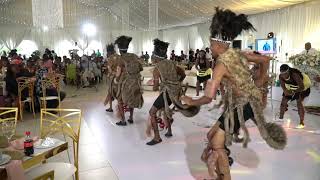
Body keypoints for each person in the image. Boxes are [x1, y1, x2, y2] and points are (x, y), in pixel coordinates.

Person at [181, 8, 287, 180]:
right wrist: (261, 80)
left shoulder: (221, 64)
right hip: (243, 102)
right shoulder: (238, 53)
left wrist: (191, 101)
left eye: (210, 45)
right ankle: (220, 160)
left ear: (217, 45)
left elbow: (208, 97)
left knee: (216, 144)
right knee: (210, 136)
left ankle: (223, 171)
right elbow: (265, 59)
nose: (210, 48)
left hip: (243, 105)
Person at [114, 36, 144, 126]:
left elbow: (118, 73)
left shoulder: (121, 58)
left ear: (119, 49)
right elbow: (140, 68)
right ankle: (130, 118)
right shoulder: (134, 56)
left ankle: (123, 121)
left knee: (119, 100)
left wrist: (115, 79)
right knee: (131, 100)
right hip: (136, 83)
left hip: (126, 83)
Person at [278, 64, 311, 129]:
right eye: (282, 74)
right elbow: (283, 86)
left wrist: (293, 92)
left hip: (303, 87)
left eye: (285, 73)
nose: (284, 75)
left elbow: (301, 87)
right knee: (283, 101)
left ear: (288, 71)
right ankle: (280, 118)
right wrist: (285, 91)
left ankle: (302, 123)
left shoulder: (294, 75)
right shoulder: (281, 76)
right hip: (291, 87)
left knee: (299, 103)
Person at [104, 44, 122, 112]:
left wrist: (110, 74)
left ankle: (111, 107)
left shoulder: (110, 59)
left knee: (110, 92)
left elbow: (110, 69)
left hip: (113, 78)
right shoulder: (119, 57)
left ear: (109, 52)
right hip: (120, 77)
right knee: (119, 92)